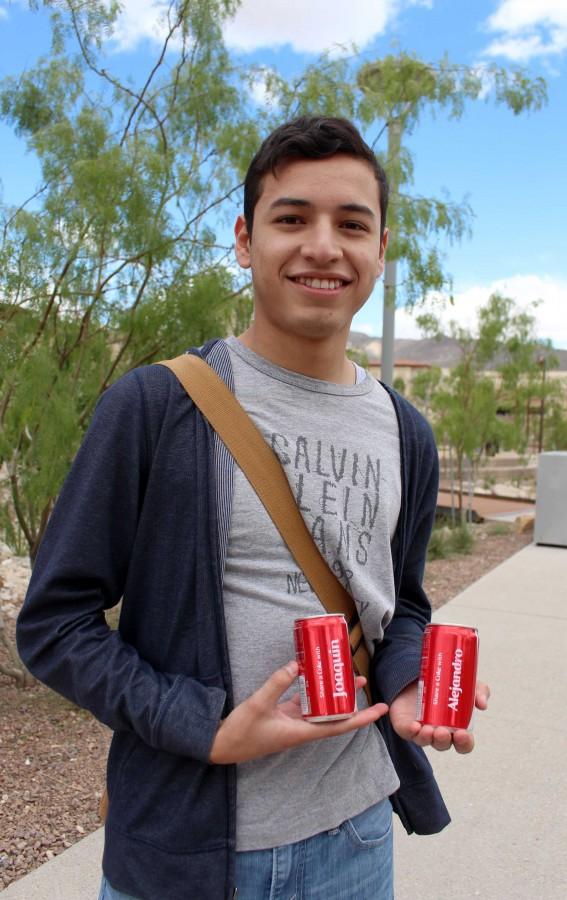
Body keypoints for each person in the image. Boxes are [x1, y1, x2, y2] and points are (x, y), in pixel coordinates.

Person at [16, 116, 489, 900]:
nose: (323, 246)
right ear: (245, 239)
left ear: (380, 250)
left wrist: (405, 678)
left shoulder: (408, 432)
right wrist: (202, 726)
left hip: (356, 836)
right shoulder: (155, 406)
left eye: (351, 224)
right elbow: (53, 624)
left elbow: (399, 604)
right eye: (291, 218)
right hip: (183, 852)